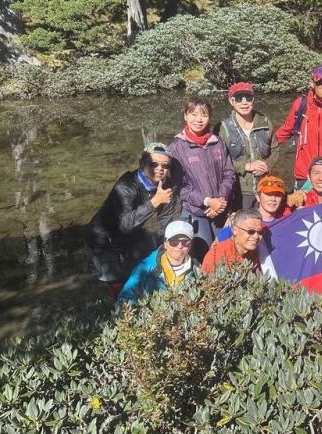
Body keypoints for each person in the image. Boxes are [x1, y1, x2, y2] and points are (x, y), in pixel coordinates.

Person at [87, 142, 180, 299]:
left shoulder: (166, 187)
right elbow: (124, 225)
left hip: (133, 233)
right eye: (153, 163)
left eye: (165, 165)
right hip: (102, 238)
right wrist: (155, 202)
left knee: (144, 266)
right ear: (142, 163)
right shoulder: (125, 186)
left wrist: (166, 246)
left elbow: (165, 219)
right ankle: (118, 311)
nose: (160, 168)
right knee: (115, 279)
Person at [169, 96, 236, 261]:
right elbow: (181, 188)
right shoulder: (176, 148)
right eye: (193, 114)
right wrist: (207, 201)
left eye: (204, 115)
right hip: (196, 211)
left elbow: (229, 173)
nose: (199, 120)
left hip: (220, 209)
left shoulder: (217, 142)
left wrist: (221, 199)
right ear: (185, 115)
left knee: (227, 252)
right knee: (203, 256)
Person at [217, 81, 279, 210]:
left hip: (264, 185)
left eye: (248, 98)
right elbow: (219, 161)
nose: (244, 102)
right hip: (239, 190)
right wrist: (246, 166)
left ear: (253, 100)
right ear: (231, 101)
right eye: (239, 99)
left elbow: (275, 150)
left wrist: (267, 165)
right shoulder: (223, 128)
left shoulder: (266, 122)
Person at [118, 220, 198, 302]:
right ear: (165, 243)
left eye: (185, 241)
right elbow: (125, 299)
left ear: (191, 244)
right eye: (174, 241)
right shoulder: (145, 267)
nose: (180, 246)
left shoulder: (196, 268)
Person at [201, 210, 264, 274]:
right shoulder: (219, 255)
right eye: (250, 231)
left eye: (260, 232)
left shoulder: (254, 251)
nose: (256, 236)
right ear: (234, 230)